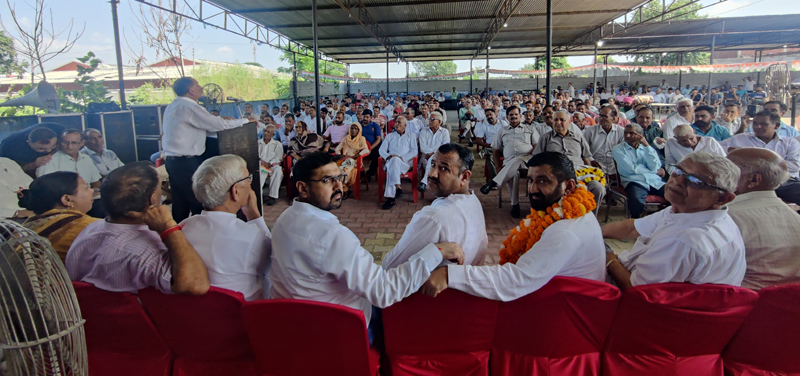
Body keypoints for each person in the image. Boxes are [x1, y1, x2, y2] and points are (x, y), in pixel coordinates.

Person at [269, 152, 464, 344]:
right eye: (328, 180)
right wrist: (435, 252)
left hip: (294, 326)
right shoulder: (332, 237)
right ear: (303, 188)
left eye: (339, 177)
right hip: (336, 333)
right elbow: (384, 291)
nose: (339, 186)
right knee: (409, 316)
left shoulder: (285, 218)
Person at [422, 152, 605, 300]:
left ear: (570, 186)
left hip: (567, 311)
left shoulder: (565, 231)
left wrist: (450, 275)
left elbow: (516, 281)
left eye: (543, 181)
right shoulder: (562, 212)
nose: (532, 189)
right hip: (559, 296)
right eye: (531, 180)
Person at [603, 151, 745, 290]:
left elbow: (637, 291)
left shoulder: (687, 239)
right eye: (678, 171)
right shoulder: (686, 209)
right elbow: (633, 228)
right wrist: (595, 232)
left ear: (723, 198)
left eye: (696, 181)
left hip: (646, 305)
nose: (679, 181)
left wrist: (610, 260)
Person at [66, 162, 210, 295]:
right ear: (153, 199)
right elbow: (197, 285)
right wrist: (169, 227)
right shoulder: (144, 253)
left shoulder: (88, 231)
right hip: (136, 320)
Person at [161, 77, 253, 222]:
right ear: (191, 90)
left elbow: (204, 123)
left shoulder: (174, 105)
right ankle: (206, 236)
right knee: (200, 202)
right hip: (186, 162)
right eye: (197, 85)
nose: (201, 87)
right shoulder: (190, 107)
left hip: (174, 161)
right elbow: (217, 125)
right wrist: (246, 121)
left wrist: (222, 119)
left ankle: (178, 235)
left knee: (181, 205)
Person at [180, 155, 271, 301]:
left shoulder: (184, 227)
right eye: (247, 178)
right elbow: (272, 259)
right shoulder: (251, 236)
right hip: (243, 313)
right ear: (235, 191)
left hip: (197, 310)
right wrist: (254, 213)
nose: (249, 183)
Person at [384, 144, 488, 269]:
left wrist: (434, 253)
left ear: (464, 177)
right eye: (433, 165)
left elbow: (390, 267)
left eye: (444, 168)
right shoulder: (473, 201)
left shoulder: (433, 218)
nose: (432, 174)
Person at [725, 148, 800, 289]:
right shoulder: (795, 218)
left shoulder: (725, 217)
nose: (718, 173)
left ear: (753, 179)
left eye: (727, 168)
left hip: (744, 303)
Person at [533, 110, 605, 215]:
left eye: (562, 120)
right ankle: (559, 218)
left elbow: (586, 157)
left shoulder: (578, 137)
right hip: (556, 173)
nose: (558, 122)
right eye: (555, 120)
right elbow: (537, 158)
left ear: (569, 122)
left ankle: (588, 219)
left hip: (580, 172)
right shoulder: (545, 138)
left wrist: (590, 171)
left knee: (598, 188)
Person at [721, 110, 800, 204]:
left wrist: (756, 162)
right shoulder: (739, 139)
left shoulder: (790, 143)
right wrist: (735, 151)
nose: (758, 127)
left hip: (784, 183)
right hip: (748, 182)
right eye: (755, 123)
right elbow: (717, 149)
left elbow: (794, 165)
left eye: (764, 124)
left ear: (777, 125)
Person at [19, 172, 97, 262]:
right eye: (86, 188)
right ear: (67, 199)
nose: (91, 191)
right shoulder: (89, 227)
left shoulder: (25, 226)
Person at [479, 106, 539, 218]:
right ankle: (515, 205)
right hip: (509, 163)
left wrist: (532, 155)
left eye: (516, 114)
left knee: (518, 159)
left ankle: (494, 182)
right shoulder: (502, 131)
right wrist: (497, 167)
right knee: (514, 174)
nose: (513, 116)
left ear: (520, 116)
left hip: (528, 161)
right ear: (507, 117)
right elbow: (496, 151)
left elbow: (537, 146)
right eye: (511, 115)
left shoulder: (530, 129)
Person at [612, 124, 666, 218]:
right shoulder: (618, 149)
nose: (627, 135)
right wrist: (654, 172)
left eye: (631, 133)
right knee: (636, 200)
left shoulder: (646, 148)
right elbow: (631, 168)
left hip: (654, 181)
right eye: (625, 133)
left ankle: (665, 218)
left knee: (675, 192)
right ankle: (637, 223)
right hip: (634, 181)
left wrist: (646, 146)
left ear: (640, 135)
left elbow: (654, 166)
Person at [37, 130, 102, 189]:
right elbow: (44, 187)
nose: (69, 146)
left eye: (74, 143)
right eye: (65, 142)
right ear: (60, 142)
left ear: (82, 143)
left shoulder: (86, 159)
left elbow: (96, 183)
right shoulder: (50, 160)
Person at [379, 117, 418, 210]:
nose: (396, 124)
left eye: (399, 122)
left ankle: (391, 198)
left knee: (394, 162)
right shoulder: (390, 136)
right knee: (394, 161)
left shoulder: (411, 136)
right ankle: (397, 187)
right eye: (396, 122)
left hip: (405, 164)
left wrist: (401, 158)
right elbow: (381, 150)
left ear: (405, 125)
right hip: (391, 161)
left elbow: (414, 151)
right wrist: (388, 156)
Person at [582, 106, 625, 175]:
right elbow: (584, 149)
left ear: (613, 118)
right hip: (595, 164)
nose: (601, 118)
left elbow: (623, 152)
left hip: (615, 165)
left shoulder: (621, 132)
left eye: (605, 116)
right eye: (600, 116)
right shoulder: (590, 131)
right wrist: (591, 160)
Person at [417, 111, 450, 192]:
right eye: (429, 119)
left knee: (434, 160)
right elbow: (423, 148)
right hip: (425, 157)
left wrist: (433, 154)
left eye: (432, 119)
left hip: (440, 157)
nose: (430, 121)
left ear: (439, 121)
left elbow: (445, 147)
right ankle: (437, 192)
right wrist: (433, 153)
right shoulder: (423, 131)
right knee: (435, 162)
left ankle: (424, 181)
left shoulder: (445, 132)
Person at [335, 122, 370, 197]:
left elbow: (366, 150)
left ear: (359, 130)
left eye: (356, 129)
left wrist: (355, 156)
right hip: (344, 160)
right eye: (352, 128)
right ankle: (342, 188)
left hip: (355, 161)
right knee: (337, 169)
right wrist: (339, 155)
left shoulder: (361, 139)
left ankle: (345, 189)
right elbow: (337, 148)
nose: (353, 130)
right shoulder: (346, 138)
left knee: (345, 169)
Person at [259, 125, 284, 206]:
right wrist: (262, 163)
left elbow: (279, 157)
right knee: (259, 171)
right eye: (265, 131)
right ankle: (259, 196)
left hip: (272, 165)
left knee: (278, 171)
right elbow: (254, 156)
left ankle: (272, 196)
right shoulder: (257, 143)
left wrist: (269, 164)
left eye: (268, 132)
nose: (265, 133)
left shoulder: (277, 144)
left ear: (273, 135)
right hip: (261, 166)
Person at [361, 109, 383, 182]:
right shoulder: (358, 125)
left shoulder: (375, 125)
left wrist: (370, 148)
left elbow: (378, 139)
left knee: (377, 156)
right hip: (360, 147)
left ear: (371, 118)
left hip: (372, 147)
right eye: (364, 117)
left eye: (367, 117)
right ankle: (360, 173)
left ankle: (369, 174)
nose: (365, 119)